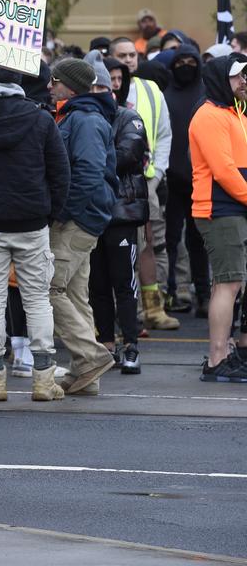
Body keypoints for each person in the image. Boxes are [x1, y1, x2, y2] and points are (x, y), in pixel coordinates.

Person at [0, 65, 70, 402]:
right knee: (37, 299)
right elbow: (60, 174)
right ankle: (43, 380)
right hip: (31, 221)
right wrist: (49, 214)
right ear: (20, 81)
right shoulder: (40, 119)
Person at [49, 58, 120, 395]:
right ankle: (85, 373)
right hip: (84, 217)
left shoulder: (85, 119)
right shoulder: (81, 116)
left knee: (50, 291)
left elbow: (89, 172)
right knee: (76, 295)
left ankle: (92, 357)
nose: (50, 86)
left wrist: (64, 213)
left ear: (71, 86)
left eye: (55, 81)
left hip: (77, 220)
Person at [106, 39, 177, 328]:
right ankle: (118, 313)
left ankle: (153, 308)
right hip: (109, 183)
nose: (129, 60)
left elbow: (164, 136)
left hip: (144, 183)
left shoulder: (150, 89)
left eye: (132, 55)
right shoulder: (100, 89)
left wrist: (156, 176)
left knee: (148, 244)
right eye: (122, 56)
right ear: (110, 59)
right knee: (110, 249)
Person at [189, 55, 247, 383]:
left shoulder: (233, 112)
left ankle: (223, 353)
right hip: (219, 209)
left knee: (229, 282)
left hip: (232, 208)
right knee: (228, 283)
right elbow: (224, 171)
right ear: (220, 79)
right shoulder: (209, 115)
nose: (243, 82)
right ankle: (217, 359)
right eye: (237, 77)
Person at [89, 59, 149, 374]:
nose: (103, 90)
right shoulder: (82, 118)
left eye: (106, 84)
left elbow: (127, 155)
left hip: (122, 213)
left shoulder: (129, 118)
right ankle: (108, 345)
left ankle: (131, 346)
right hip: (92, 213)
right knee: (97, 285)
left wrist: (89, 156)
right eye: (96, 86)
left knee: (124, 284)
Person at [164, 43, 211, 316]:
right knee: (170, 240)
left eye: (190, 61)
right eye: (180, 61)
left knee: (198, 241)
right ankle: (173, 292)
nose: (185, 66)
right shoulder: (165, 92)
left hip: (200, 179)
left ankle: (203, 294)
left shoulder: (205, 92)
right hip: (171, 180)